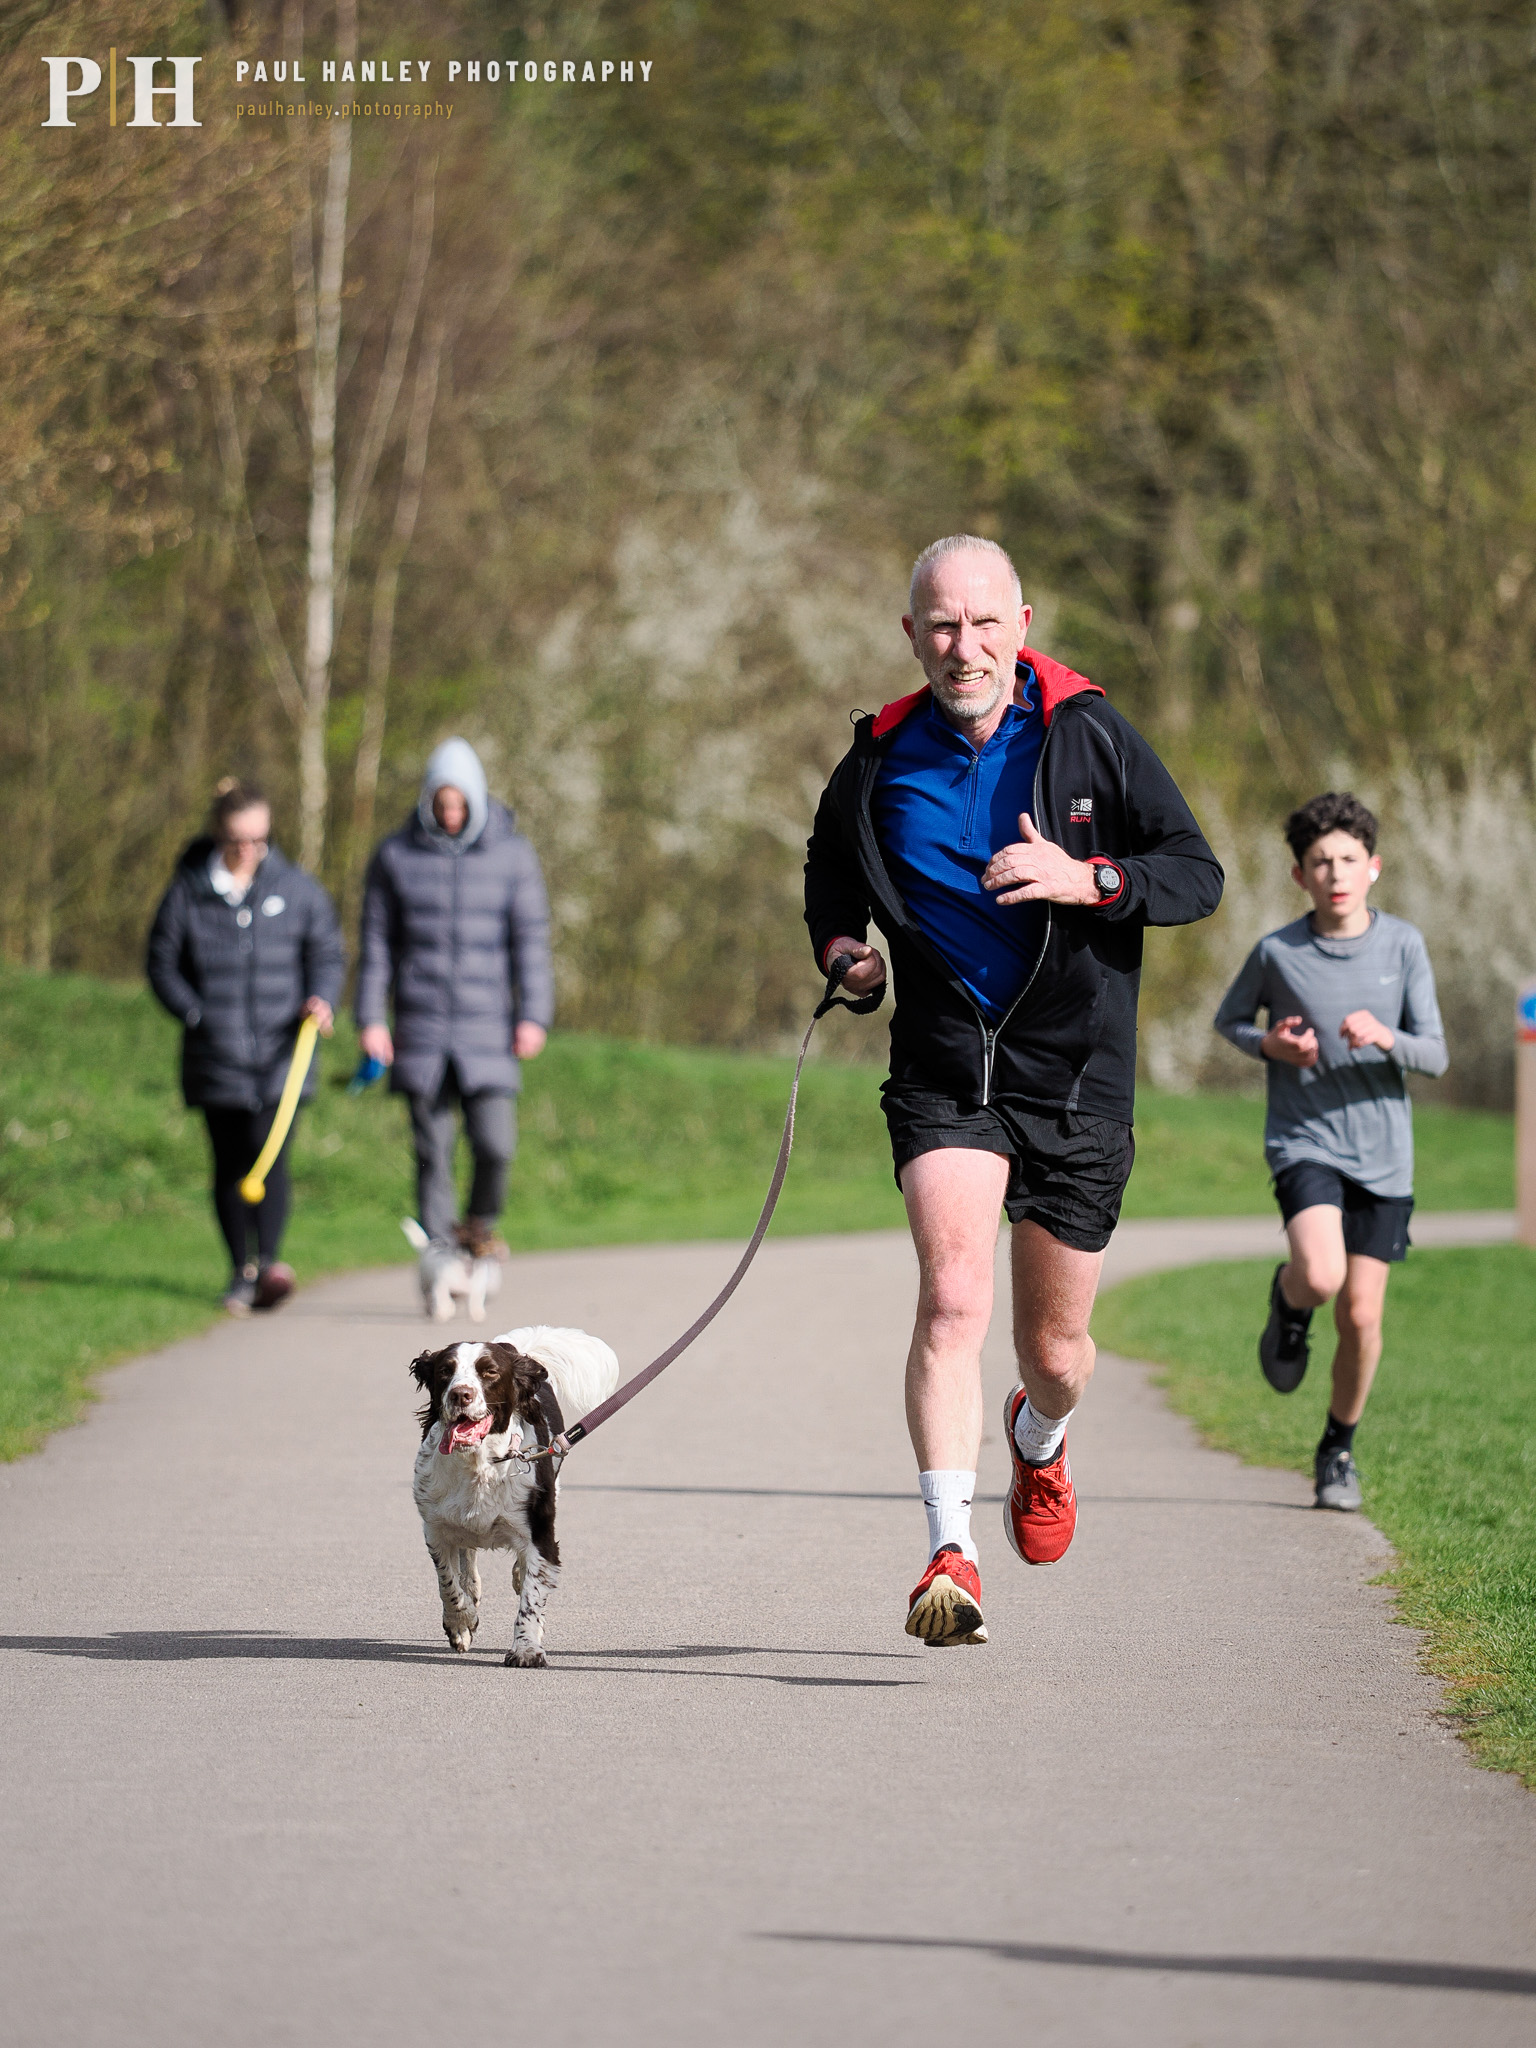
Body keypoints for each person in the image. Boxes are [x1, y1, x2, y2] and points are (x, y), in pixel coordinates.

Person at [805, 535, 1224, 1645]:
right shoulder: (879, 758)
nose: (965, 645)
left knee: (1056, 1353)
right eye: (942, 624)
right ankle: (950, 1547)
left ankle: (1038, 1436)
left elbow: (1196, 872)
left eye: (986, 622)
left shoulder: (1088, 731)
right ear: (911, 635)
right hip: (945, 1067)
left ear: (1022, 623)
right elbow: (831, 872)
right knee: (952, 1298)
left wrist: (1089, 878)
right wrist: (844, 950)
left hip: (1076, 1073)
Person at [1214, 792, 1447, 1510]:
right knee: (1319, 1275)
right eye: (1320, 861)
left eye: (1348, 859)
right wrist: (1272, 1045)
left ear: (1373, 868)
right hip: (1305, 1140)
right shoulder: (1278, 951)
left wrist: (1387, 1037)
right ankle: (1289, 1306)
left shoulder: (1403, 946)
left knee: (1363, 1317)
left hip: (1385, 1157)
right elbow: (1231, 1021)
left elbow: (1435, 1054)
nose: (1335, 873)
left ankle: (1337, 1448)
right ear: (1300, 876)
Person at [147, 779, 344, 1314]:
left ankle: (271, 1264)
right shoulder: (188, 890)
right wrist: (196, 1014)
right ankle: (241, 1269)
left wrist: (322, 999)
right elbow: (161, 963)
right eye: (238, 839)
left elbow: (328, 952)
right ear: (219, 834)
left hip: (284, 1055)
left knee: (271, 1155)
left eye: (259, 839)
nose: (248, 850)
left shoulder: (297, 889)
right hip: (217, 1056)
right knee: (231, 1163)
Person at [356, 737, 553, 1254]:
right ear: (427, 799)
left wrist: (534, 1015)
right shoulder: (394, 856)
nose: (449, 813)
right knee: (432, 1153)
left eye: (459, 803)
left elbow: (531, 941)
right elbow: (376, 944)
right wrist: (371, 1018)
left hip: (487, 1027)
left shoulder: (513, 855)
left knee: (496, 1146)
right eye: (441, 802)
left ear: (476, 800)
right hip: (420, 1028)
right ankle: (442, 1257)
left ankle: (479, 1228)